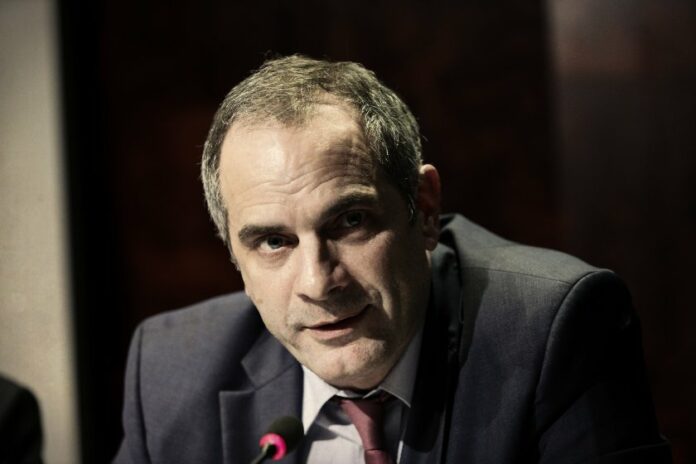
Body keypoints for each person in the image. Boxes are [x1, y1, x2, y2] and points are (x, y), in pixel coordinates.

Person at [113, 55, 671, 463]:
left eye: (350, 222)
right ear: (233, 252)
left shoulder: (552, 330)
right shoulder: (172, 373)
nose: (318, 283)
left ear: (423, 210)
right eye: (274, 242)